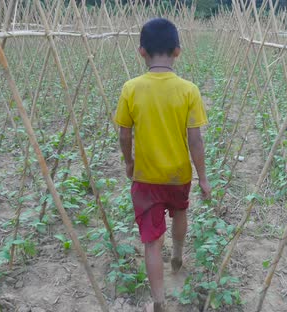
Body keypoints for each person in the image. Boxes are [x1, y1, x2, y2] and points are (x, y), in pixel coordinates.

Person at [114, 18, 211, 312]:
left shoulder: (131, 88)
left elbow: (124, 133)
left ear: (141, 52)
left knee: (152, 241)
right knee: (180, 212)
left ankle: (158, 300)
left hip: (145, 178)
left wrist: (129, 163)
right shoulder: (189, 90)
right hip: (178, 174)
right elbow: (195, 141)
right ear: (177, 52)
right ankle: (178, 253)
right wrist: (203, 178)